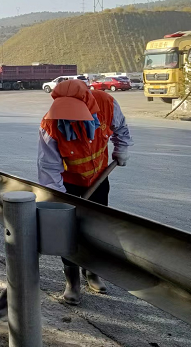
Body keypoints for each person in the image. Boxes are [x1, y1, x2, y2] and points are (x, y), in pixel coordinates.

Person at [37, 79, 132, 305]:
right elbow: (49, 169)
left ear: (88, 103)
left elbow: (121, 128)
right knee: (67, 230)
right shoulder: (50, 125)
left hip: (99, 178)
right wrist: (60, 201)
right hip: (67, 183)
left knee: (96, 227)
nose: (70, 118)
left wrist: (122, 149)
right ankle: (72, 280)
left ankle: (92, 271)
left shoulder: (107, 104)